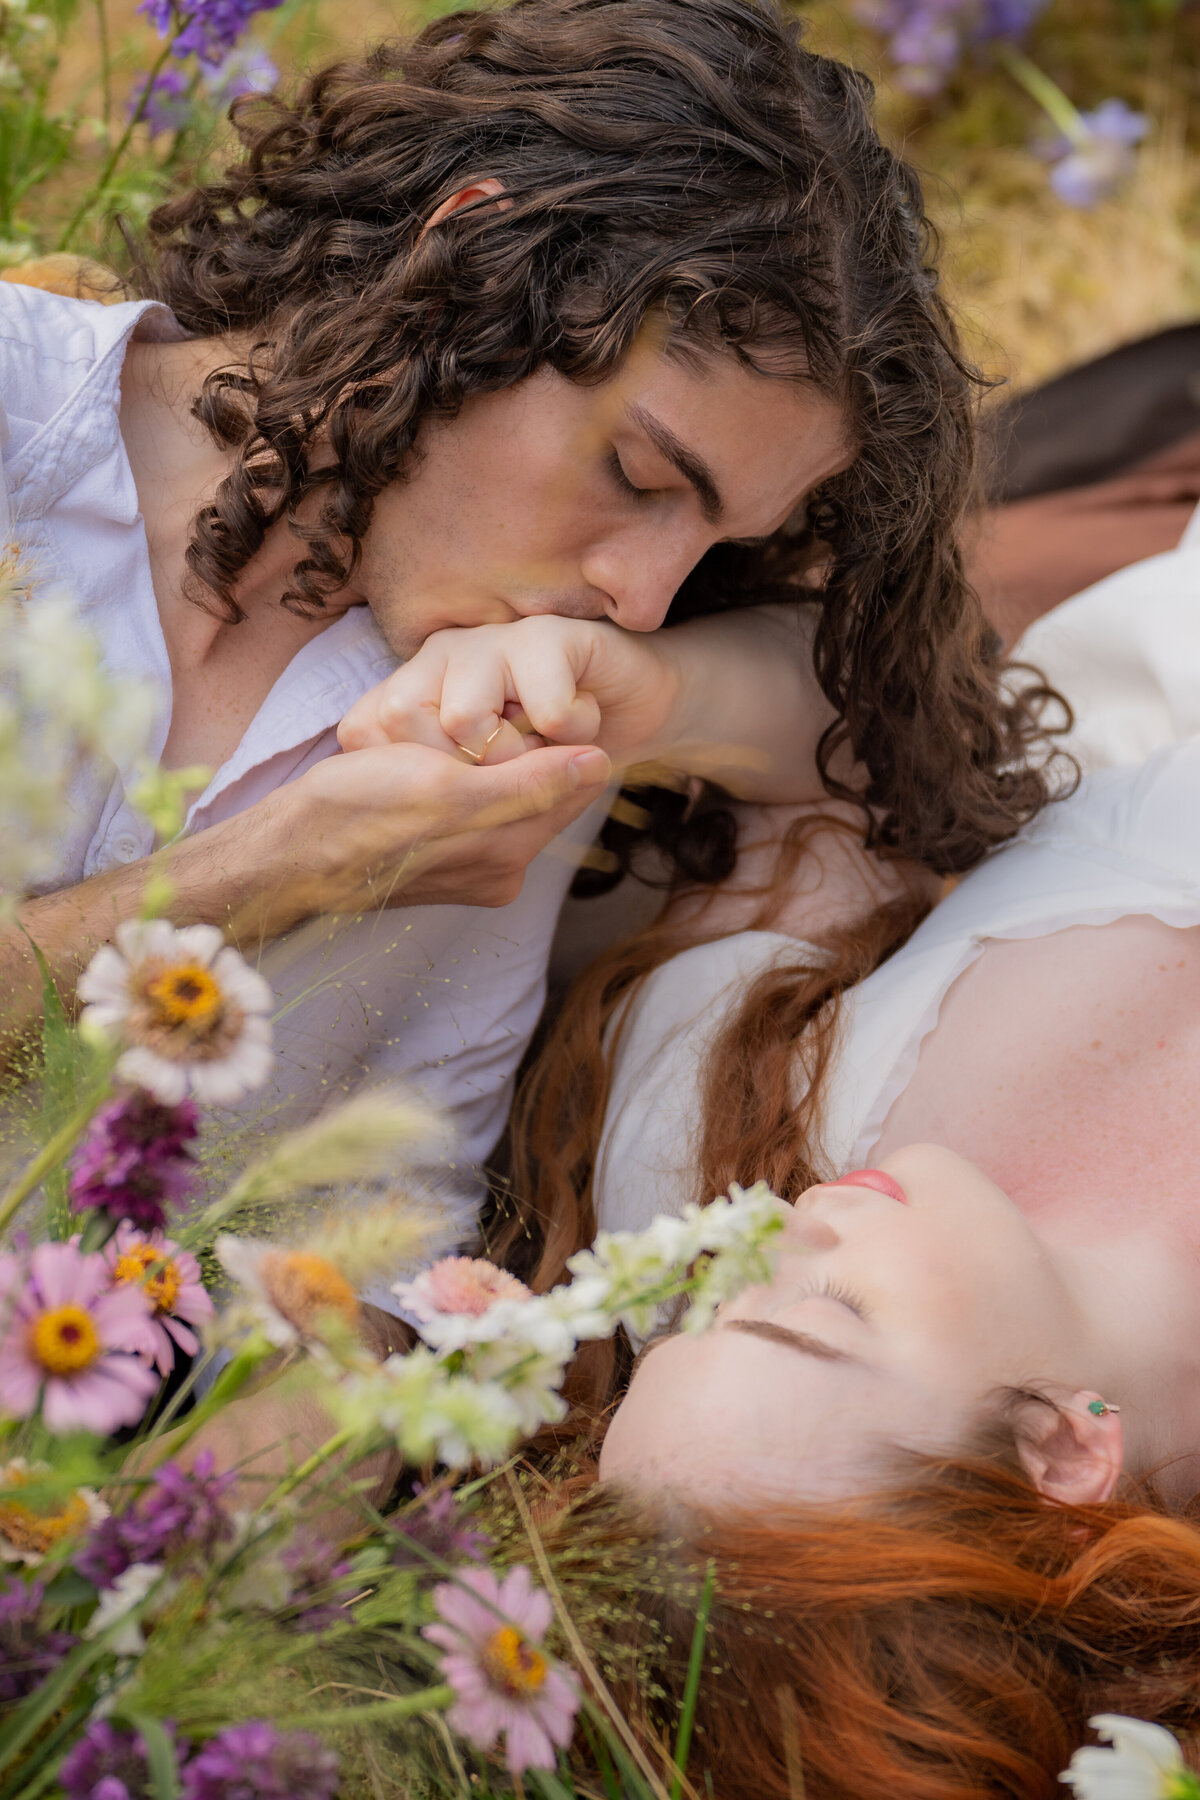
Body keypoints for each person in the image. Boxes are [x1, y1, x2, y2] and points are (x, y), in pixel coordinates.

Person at [0, 0, 1057, 1249]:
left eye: (714, 544)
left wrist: (656, 691)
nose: (646, 598)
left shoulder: (499, 721)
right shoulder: (25, 419)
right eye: (642, 479)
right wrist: (270, 874)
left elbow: (386, 1263)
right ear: (464, 259)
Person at [485, 512, 1200, 1795]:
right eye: (820, 1319)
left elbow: (846, 743)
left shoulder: (729, 1146)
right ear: (1056, 1451)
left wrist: (661, 697)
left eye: (706, 1306)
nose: (788, 1231)